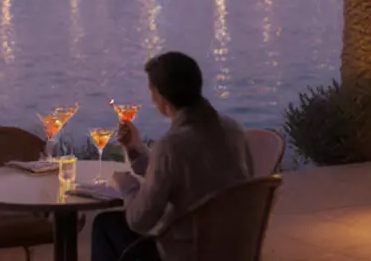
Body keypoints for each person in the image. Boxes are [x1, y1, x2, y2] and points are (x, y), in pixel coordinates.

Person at [91, 52, 253, 261]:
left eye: (152, 90)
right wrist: (136, 149)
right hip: (234, 249)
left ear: (160, 96)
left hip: (189, 252)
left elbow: (140, 221)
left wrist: (128, 186)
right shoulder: (234, 130)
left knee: (105, 226)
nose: (151, 98)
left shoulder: (172, 145)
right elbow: (183, 173)